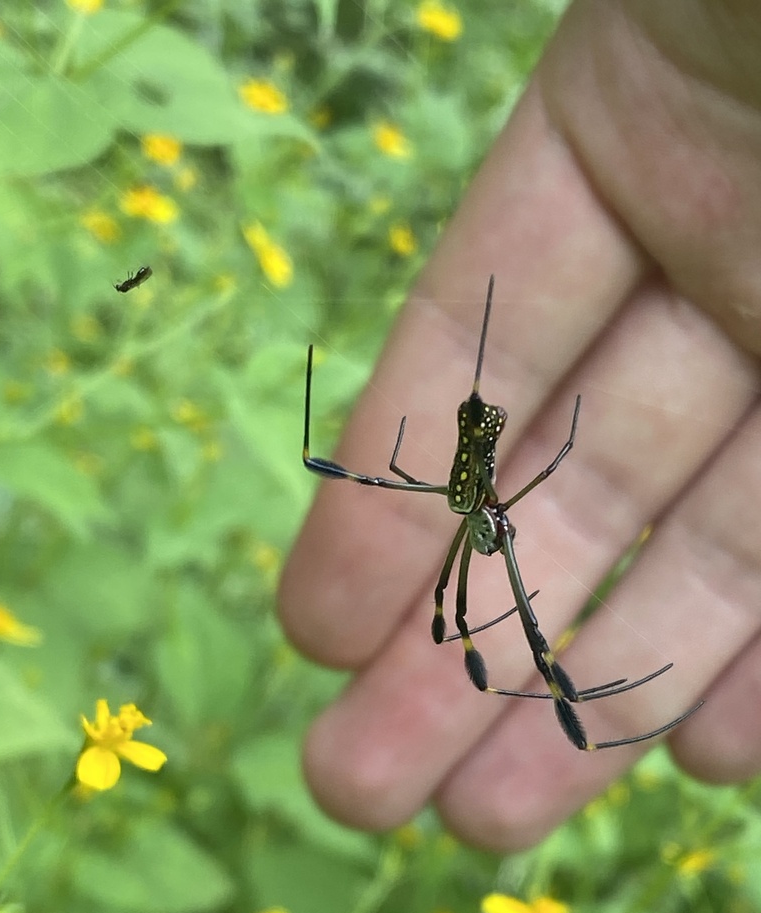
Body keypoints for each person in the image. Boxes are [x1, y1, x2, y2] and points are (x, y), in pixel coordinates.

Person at [278, 0, 761, 851]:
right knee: (450, 607)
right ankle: (584, 704)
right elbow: (522, 485)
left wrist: (537, 462)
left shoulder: (486, 505)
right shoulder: (485, 505)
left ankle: (587, 709)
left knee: (466, 608)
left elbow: (549, 464)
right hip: (474, 455)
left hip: (475, 455)